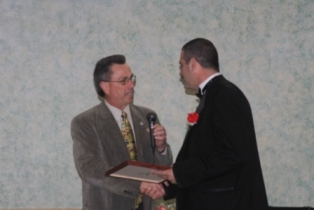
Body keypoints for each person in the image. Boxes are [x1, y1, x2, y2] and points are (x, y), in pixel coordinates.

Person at [153, 38, 269, 209]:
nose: (180, 72)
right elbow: (206, 156)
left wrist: (178, 173)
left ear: (192, 64)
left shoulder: (225, 96)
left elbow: (232, 154)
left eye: (181, 65)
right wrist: (167, 188)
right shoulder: (216, 95)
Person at [71, 54, 173, 210]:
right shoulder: (85, 122)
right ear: (105, 86)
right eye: (123, 81)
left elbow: (161, 169)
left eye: (132, 78)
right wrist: (138, 185)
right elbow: (90, 168)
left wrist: (161, 148)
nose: (131, 85)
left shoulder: (147, 116)